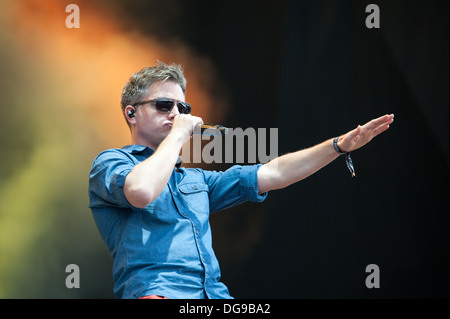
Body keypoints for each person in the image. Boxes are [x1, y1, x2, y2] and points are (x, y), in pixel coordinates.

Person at [88, 62, 394, 299]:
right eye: (164, 106)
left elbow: (274, 173)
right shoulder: (112, 163)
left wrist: (338, 145)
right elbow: (141, 191)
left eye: (183, 108)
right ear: (132, 113)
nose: (177, 114)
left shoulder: (196, 179)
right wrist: (179, 133)